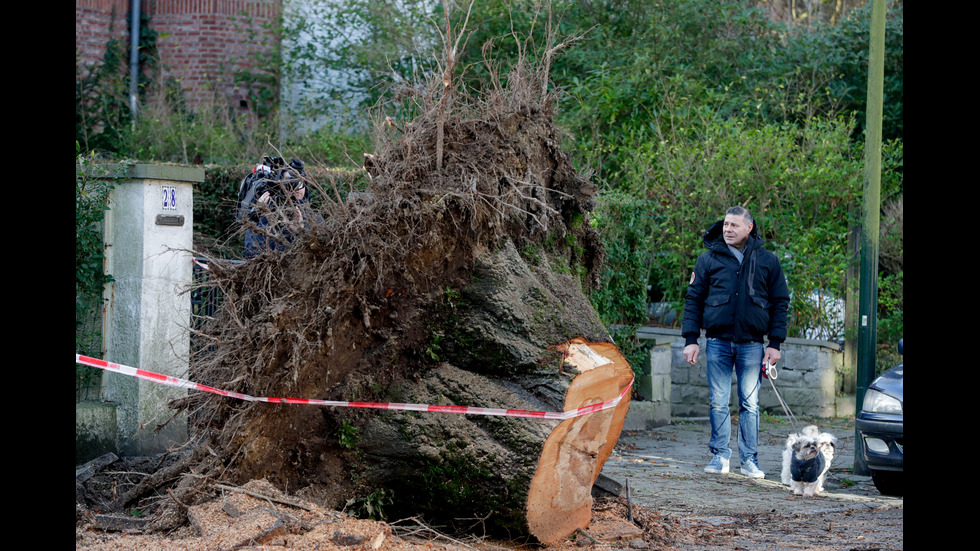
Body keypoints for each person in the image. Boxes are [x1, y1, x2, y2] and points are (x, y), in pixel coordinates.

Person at [681, 206, 790, 478]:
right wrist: (691, 339)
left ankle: (749, 460)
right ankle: (720, 456)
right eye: (726, 225)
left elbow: (780, 303)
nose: (727, 229)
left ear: (748, 228)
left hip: (752, 345)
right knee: (718, 401)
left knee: (750, 404)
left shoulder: (768, 261)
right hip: (717, 341)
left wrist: (775, 343)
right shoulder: (708, 259)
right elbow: (693, 300)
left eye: (734, 225)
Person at [242, 158, 310, 259]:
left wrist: (299, 231)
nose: (296, 188)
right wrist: (262, 216)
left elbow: (321, 255)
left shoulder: (312, 217)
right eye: (289, 182)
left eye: (300, 182)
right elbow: (252, 255)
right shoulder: (266, 215)